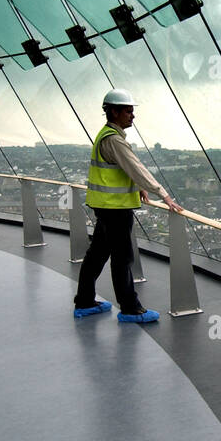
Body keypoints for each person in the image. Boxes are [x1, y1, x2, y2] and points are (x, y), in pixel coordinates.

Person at [73, 88, 183, 322]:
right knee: (122, 258)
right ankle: (130, 309)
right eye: (128, 111)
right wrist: (164, 195)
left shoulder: (105, 135)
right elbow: (136, 167)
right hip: (115, 209)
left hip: (105, 206)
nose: (132, 116)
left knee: (97, 255)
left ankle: (83, 302)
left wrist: (139, 187)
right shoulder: (114, 140)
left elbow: (121, 170)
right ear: (114, 112)